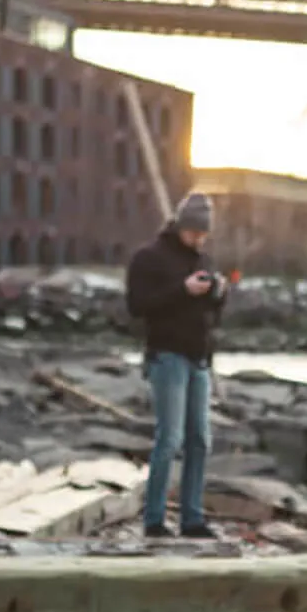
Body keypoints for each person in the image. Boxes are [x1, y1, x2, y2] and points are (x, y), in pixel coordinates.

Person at [126, 192, 226, 538]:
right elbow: (137, 305)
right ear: (181, 226)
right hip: (167, 356)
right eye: (195, 232)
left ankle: (192, 519)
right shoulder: (149, 258)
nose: (199, 239)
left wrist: (217, 293)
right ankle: (154, 519)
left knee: (200, 440)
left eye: (204, 234)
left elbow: (213, 314)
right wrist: (182, 290)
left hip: (199, 359)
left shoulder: (205, 261)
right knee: (169, 438)